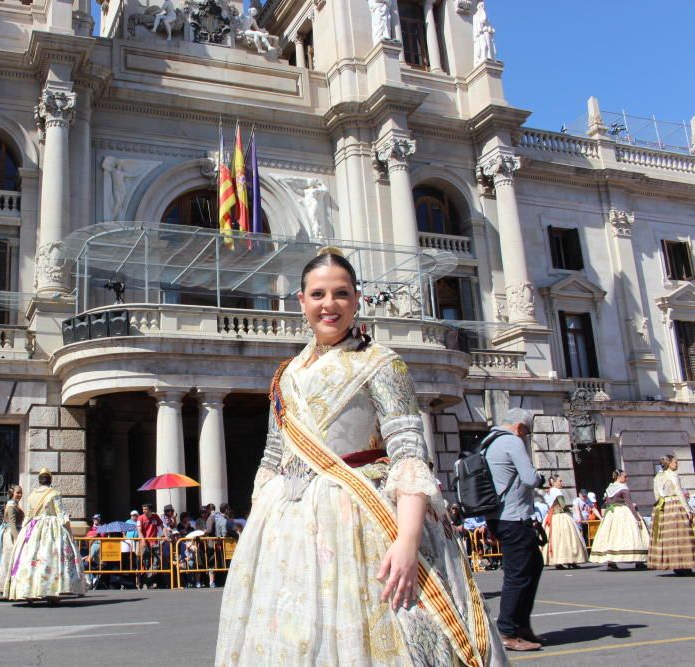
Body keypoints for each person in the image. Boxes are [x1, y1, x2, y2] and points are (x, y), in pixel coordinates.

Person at [216, 249, 505, 666]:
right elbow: (272, 456)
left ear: (357, 300)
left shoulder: (383, 363)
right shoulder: (285, 374)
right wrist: (260, 529)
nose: (328, 305)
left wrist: (406, 541)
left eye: (340, 293)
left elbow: (408, 454)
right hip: (287, 528)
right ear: (301, 301)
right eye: (318, 294)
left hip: (361, 520)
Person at [483, 407, 547, 652]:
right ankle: (508, 631)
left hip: (499, 517)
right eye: (527, 433)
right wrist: (541, 477)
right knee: (518, 575)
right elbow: (530, 478)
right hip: (514, 518)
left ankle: (521, 626)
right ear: (520, 427)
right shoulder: (511, 441)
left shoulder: (490, 441)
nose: (525, 437)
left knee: (533, 565)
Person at [8, 469, 85, 604]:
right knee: (51, 559)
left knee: (30, 559)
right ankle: (51, 593)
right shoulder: (55, 494)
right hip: (51, 528)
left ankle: (29, 591)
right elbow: (61, 515)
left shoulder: (32, 495)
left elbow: (28, 516)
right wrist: (70, 533)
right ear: (50, 480)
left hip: (33, 527)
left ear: (39, 480)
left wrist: (23, 535)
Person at [589, 469, 650, 570]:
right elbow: (629, 504)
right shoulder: (623, 488)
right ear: (619, 477)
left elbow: (607, 502)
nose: (626, 478)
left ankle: (611, 562)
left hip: (612, 513)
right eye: (625, 477)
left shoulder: (610, 487)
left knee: (612, 536)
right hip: (623, 512)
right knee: (632, 534)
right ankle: (639, 559)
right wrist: (637, 517)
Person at [648, 454, 695, 574]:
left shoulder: (658, 476)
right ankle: (684, 564)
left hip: (662, 507)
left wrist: (659, 509)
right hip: (674, 505)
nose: (677, 464)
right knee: (681, 535)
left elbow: (656, 495)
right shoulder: (673, 475)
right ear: (669, 463)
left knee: (668, 537)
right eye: (675, 462)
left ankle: (675, 565)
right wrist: (688, 509)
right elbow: (679, 492)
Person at [543, 477, 588, 569]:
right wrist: (571, 514)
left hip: (552, 516)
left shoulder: (548, 492)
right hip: (560, 516)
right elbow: (563, 505)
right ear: (553, 482)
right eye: (560, 481)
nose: (561, 483)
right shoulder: (557, 492)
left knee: (555, 539)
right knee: (567, 538)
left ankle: (557, 562)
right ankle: (570, 560)